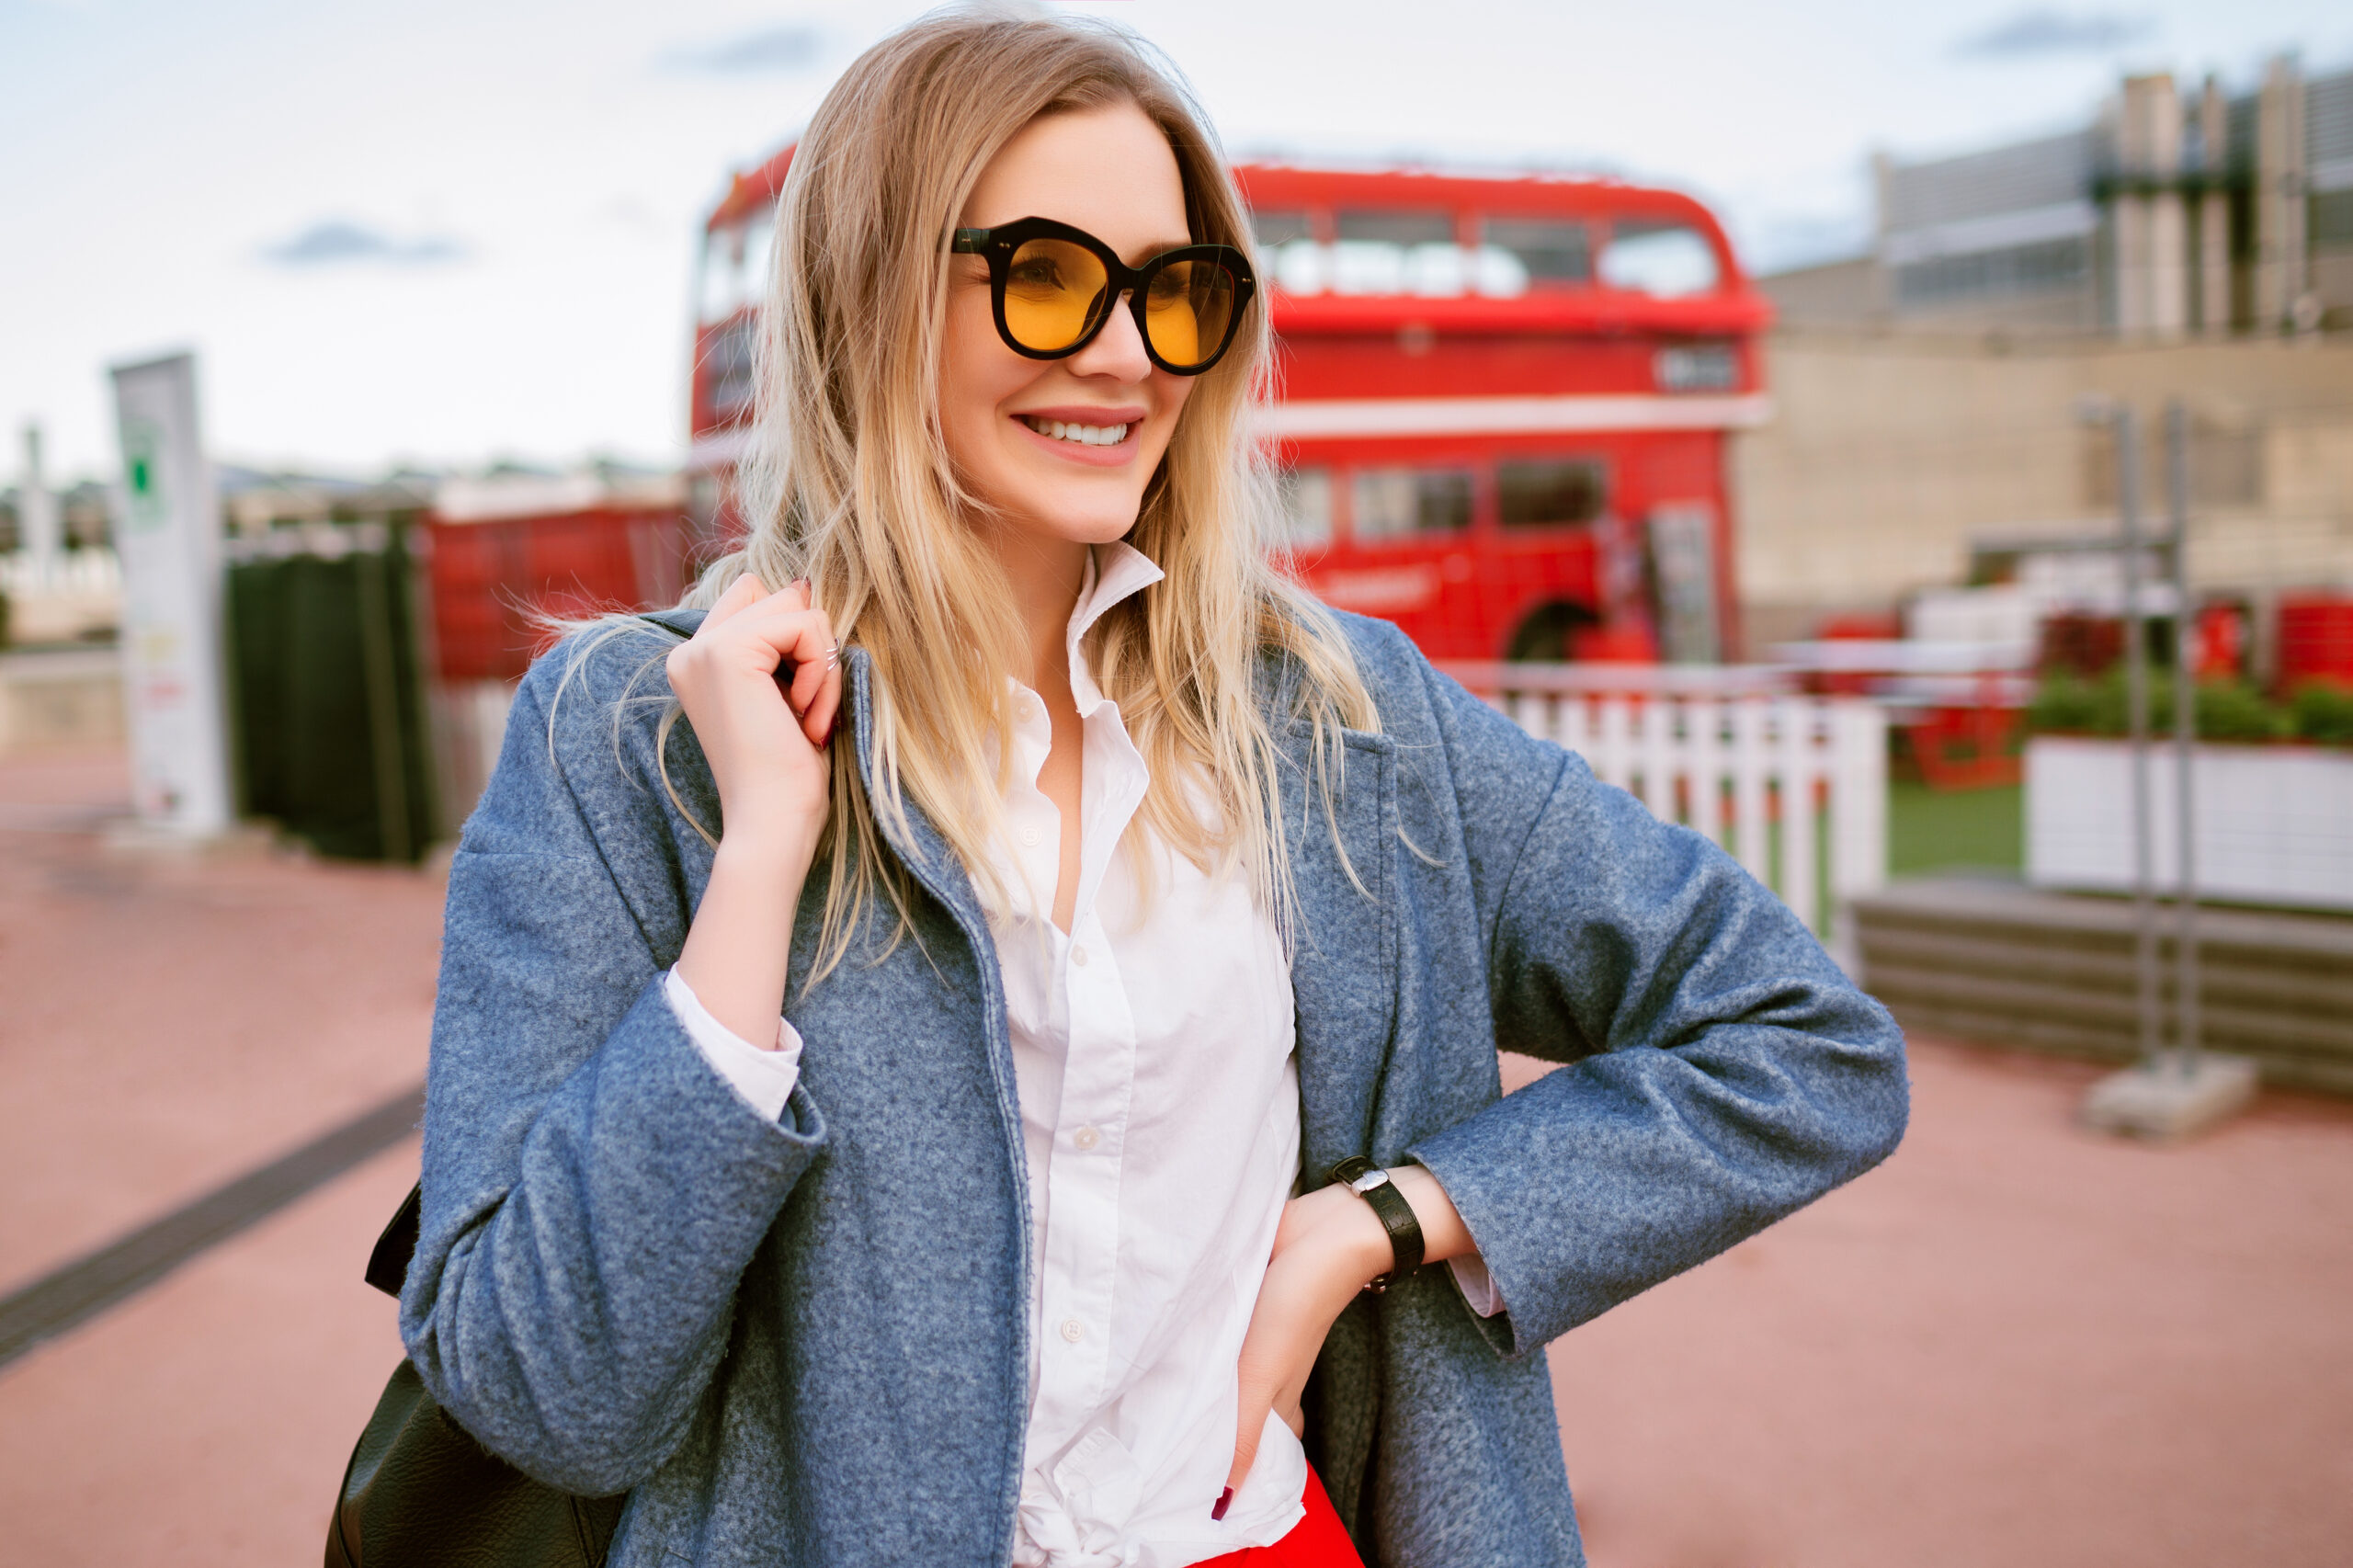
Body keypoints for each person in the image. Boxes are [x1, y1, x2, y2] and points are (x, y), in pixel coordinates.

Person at [401, 10, 1909, 1567]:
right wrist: (764, 857)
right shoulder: (632, 742)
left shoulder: (1341, 718)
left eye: (1177, 292)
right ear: (869, 290)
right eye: (1048, 275)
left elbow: (1807, 1041)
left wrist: (1379, 1218)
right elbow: (547, 1396)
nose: (1125, 354)